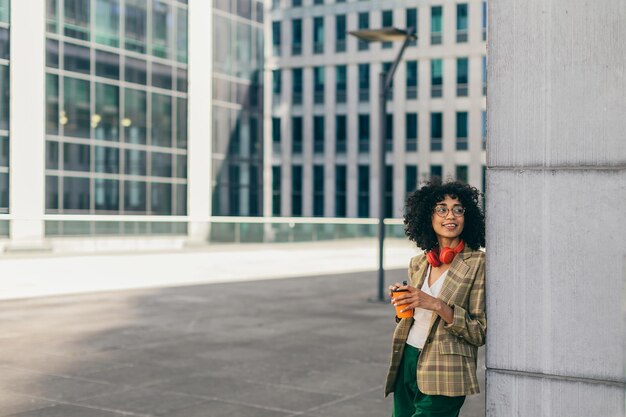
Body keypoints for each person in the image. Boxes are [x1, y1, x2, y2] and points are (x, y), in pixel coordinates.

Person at [384, 180, 486, 417]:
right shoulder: (419, 263)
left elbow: (478, 332)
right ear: (427, 217)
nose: (451, 215)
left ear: (466, 217)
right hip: (407, 357)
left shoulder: (478, 264)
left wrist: (436, 304)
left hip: (446, 368)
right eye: (441, 208)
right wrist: (403, 303)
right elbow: (413, 318)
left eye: (458, 209)